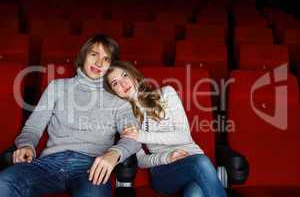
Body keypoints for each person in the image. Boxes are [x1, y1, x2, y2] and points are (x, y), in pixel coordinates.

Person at [0, 34, 141, 197]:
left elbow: (133, 137)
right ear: (84, 55)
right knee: (4, 183)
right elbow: (33, 127)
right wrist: (26, 145)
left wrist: (114, 153)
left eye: (106, 59)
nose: (98, 63)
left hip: (91, 168)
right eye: (94, 54)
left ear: (111, 66)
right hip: (48, 164)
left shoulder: (118, 100)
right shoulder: (57, 87)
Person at [104, 61, 228, 197]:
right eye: (115, 83)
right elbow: (141, 161)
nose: (123, 83)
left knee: (195, 193)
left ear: (134, 75)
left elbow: (183, 136)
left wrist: (141, 135)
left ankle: (208, 177)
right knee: (202, 162)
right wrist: (167, 157)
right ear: (113, 92)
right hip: (163, 172)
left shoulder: (167, 93)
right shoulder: (124, 119)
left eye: (124, 75)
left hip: (192, 158)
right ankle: (212, 177)